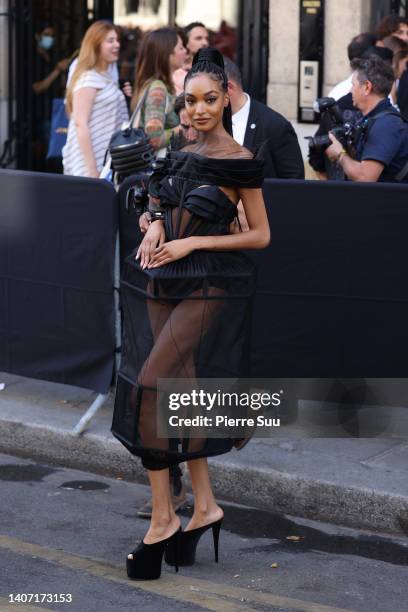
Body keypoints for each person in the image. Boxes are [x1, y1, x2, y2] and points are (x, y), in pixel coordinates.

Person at [114, 48, 270, 580]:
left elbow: (260, 235)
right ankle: (204, 507)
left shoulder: (240, 159)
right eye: (191, 100)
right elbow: (159, 193)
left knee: (153, 388)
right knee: (180, 389)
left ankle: (162, 520)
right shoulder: (182, 146)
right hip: (163, 277)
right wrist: (155, 224)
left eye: (209, 99)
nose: (199, 109)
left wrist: (190, 243)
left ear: (227, 96)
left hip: (208, 282)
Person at [326, 55, 408, 183]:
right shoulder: (369, 119)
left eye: (353, 85)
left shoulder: (386, 125)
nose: (350, 90)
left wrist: (340, 154)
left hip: (391, 202)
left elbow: (366, 177)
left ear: (367, 87)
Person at [63, 21, 128, 178]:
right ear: (96, 45)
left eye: (117, 40)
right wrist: (92, 170)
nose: (117, 45)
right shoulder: (88, 79)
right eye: (110, 41)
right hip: (89, 163)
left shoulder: (105, 76)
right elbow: (80, 124)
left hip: (106, 159)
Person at [223, 58, 304, 179]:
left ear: (229, 88)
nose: (201, 106)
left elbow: (293, 186)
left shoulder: (275, 126)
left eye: (209, 96)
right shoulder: (201, 123)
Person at [130, 28, 186, 155]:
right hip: (157, 168)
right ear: (167, 54)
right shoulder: (158, 88)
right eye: (181, 48)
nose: (185, 51)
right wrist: (185, 128)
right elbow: (153, 139)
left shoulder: (154, 84)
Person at [173, 22, 210, 94]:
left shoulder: (213, 68)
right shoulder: (175, 71)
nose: (205, 43)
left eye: (207, 38)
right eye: (198, 38)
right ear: (186, 42)